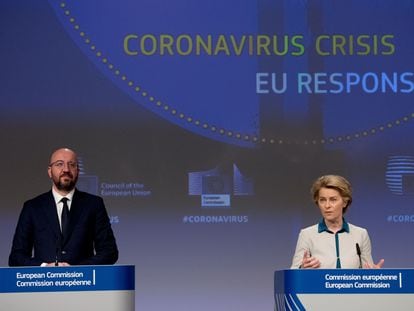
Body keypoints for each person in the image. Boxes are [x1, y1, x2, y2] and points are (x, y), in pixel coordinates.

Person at [9, 147, 118, 266]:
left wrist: (77, 269)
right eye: (59, 164)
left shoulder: (94, 204)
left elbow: (109, 252)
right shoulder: (32, 207)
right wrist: (44, 267)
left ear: (78, 171)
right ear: (50, 171)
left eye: (71, 164)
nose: (66, 169)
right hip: (43, 282)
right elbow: (16, 257)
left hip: (83, 282)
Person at [290, 175, 384, 269]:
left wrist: (374, 274)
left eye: (333, 200)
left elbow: (367, 271)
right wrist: (302, 268)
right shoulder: (307, 234)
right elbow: (293, 273)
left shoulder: (361, 234)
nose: (327, 205)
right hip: (318, 284)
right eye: (322, 200)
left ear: (344, 202)